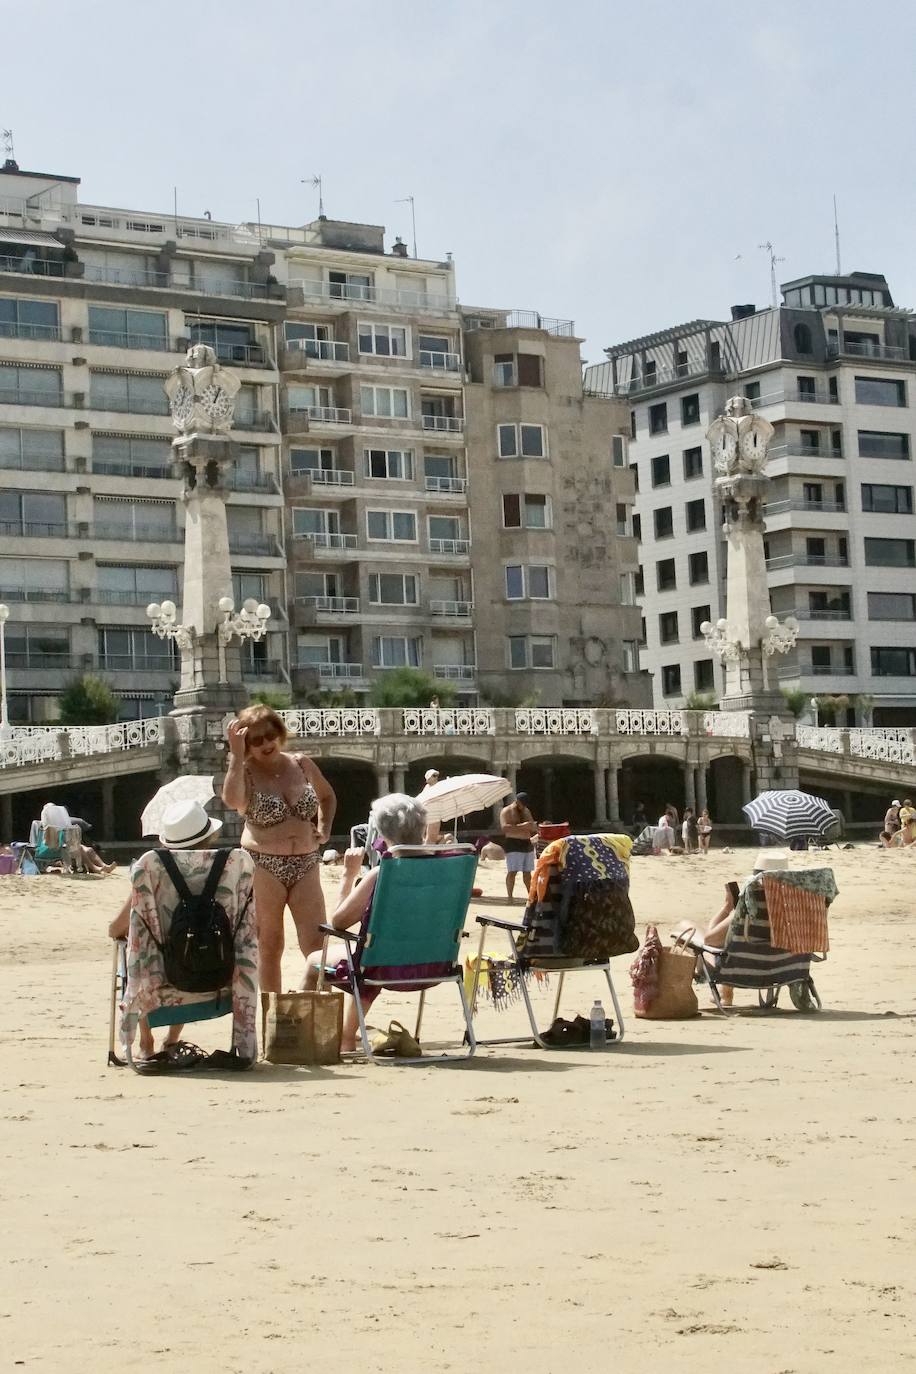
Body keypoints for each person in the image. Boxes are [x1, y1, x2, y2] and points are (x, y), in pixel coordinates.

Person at [112, 799, 257, 1067]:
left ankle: (146, 1043)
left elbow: (117, 929)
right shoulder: (233, 864)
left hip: (167, 975)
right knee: (191, 944)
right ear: (210, 836)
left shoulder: (152, 869)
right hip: (219, 969)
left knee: (152, 949)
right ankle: (172, 1038)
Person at [222, 704, 336, 993]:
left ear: (279, 733)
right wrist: (236, 756)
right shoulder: (244, 772)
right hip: (263, 863)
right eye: (255, 740)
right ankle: (272, 1014)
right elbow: (232, 800)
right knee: (270, 943)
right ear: (247, 744)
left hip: (306, 862)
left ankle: (319, 1009)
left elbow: (327, 797)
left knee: (315, 944)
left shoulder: (301, 763)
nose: (265, 744)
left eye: (269, 735)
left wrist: (324, 829)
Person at [302, 793, 428, 1052]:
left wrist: (348, 875)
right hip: (431, 964)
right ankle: (347, 1034)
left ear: (382, 833)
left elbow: (339, 922)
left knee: (316, 960)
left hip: (382, 967)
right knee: (373, 954)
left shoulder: (383, 873)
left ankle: (309, 1033)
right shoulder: (445, 868)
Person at [37, 802, 116, 874]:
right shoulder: (44, 825)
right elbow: (47, 841)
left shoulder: (61, 824)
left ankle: (104, 866)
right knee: (79, 847)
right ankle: (95, 868)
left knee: (89, 850)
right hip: (51, 847)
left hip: (62, 846)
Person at [500, 791, 537, 900]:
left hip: (526, 843)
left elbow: (531, 825)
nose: (523, 806)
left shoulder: (526, 811)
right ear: (517, 801)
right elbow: (504, 828)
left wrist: (532, 827)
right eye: (522, 804)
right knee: (512, 871)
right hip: (513, 843)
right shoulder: (506, 811)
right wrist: (522, 826)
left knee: (527, 873)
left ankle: (531, 897)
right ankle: (510, 897)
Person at [417, 768, 442, 844]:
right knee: (428, 836)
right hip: (430, 814)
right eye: (434, 776)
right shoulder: (427, 789)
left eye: (436, 776)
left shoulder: (439, 787)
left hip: (436, 814)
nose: (436, 777)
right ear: (428, 778)